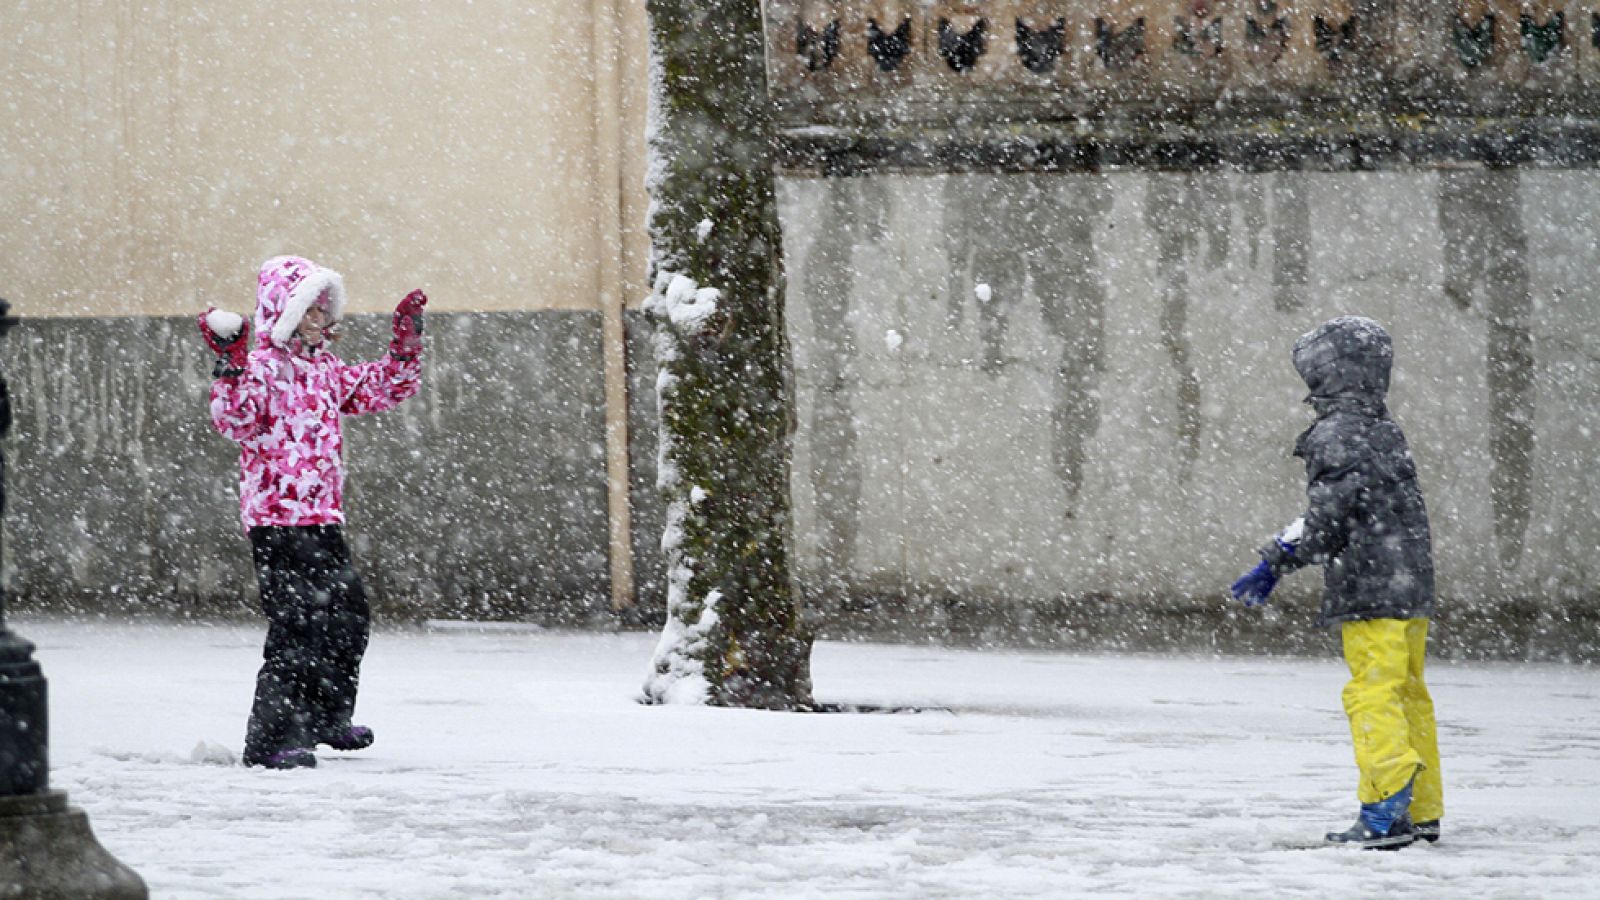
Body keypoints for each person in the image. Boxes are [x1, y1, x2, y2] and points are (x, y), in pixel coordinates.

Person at [199, 256, 426, 769]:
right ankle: (269, 740)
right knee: (297, 626)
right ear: (286, 312)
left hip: (322, 517)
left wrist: (405, 346)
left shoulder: (324, 369)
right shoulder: (261, 367)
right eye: (311, 308)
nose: (322, 317)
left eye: (325, 307)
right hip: (277, 522)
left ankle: (326, 718)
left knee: (348, 618)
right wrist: (231, 364)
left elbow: (385, 386)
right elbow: (232, 420)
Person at [1230, 316, 1443, 850]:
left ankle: (1385, 809)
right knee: (1408, 695)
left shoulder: (1337, 433)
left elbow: (1328, 521)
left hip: (1371, 590)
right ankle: (1421, 809)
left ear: (1328, 373)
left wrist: (1279, 557)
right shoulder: (1381, 426)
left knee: (1372, 694)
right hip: (1410, 586)